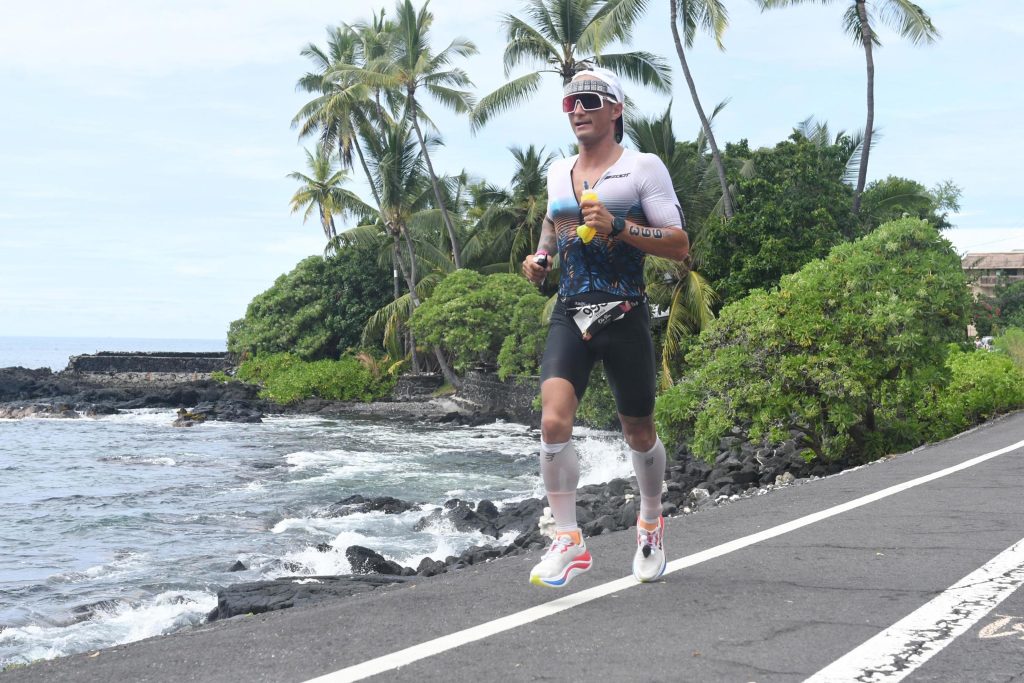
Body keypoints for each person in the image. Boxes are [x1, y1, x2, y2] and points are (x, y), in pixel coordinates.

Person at [521, 67, 690, 587]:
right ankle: (569, 540)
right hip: (570, 311)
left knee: (638, 432)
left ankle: (651, 520)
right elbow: (554, 222)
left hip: (624, 312)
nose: (577, 110)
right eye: (569, 103)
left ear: (616, 109)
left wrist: (619, 226)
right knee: (553, 423)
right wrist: (542, 256)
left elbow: (679, 244)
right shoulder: (557, 170)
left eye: (589, 100)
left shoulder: (643, 167)